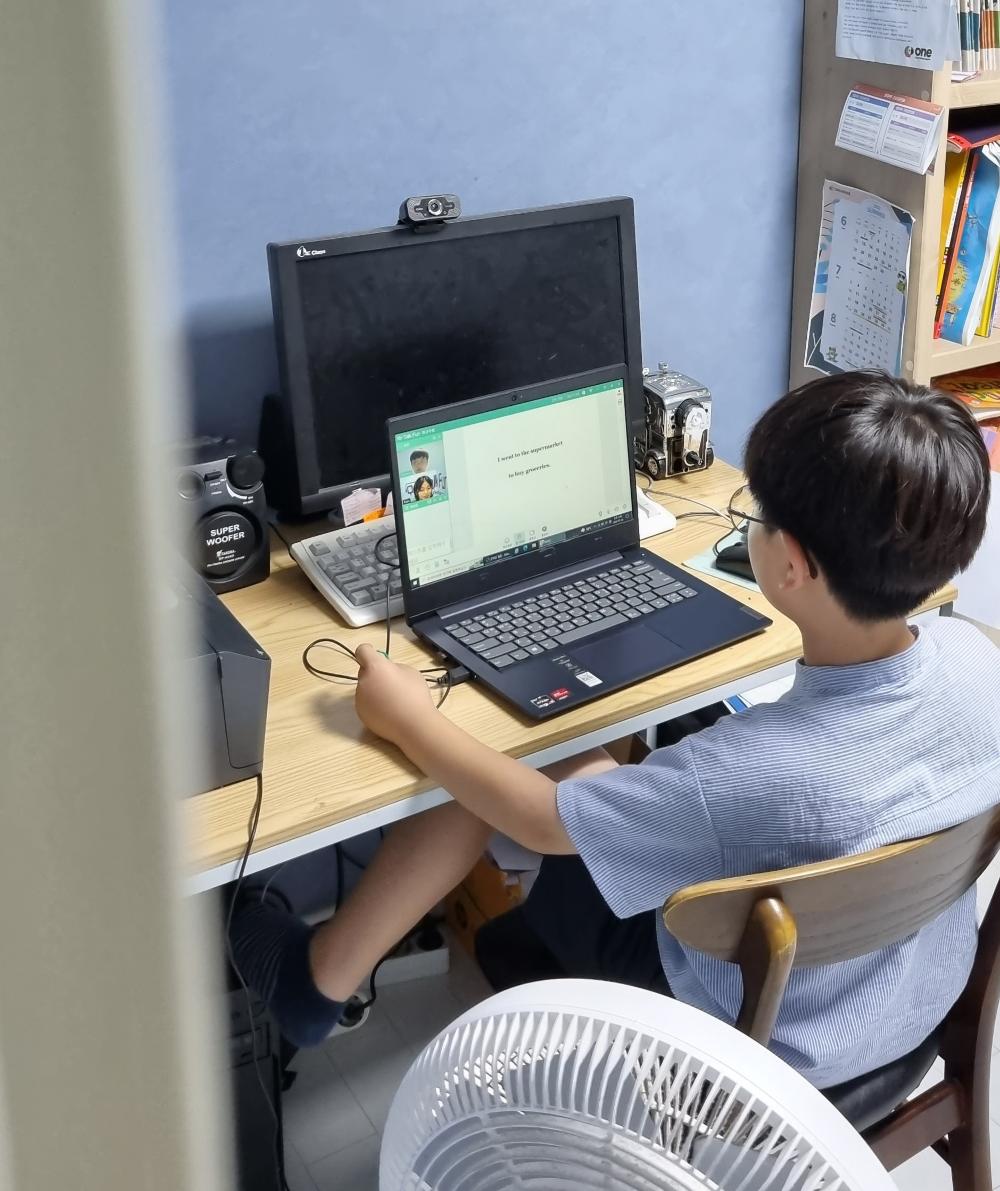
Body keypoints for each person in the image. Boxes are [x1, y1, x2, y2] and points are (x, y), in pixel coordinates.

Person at [231, 371, 998, 1089]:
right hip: (905, 1003)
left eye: (755, 514)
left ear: (791, 566)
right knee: (591, 756)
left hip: (760, 1044)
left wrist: (407, 718)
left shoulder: (742, 772)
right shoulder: (980, 659)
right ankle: (479, 934)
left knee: (499, 756)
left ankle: (317, 977)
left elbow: (541, 819)